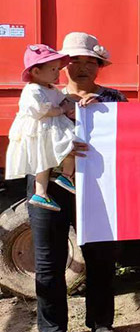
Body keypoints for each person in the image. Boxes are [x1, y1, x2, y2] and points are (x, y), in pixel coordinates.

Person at [31, 33, 126, 332]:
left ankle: (100, 323)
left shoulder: (113, 99)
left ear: (99, 67)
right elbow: (29, 135)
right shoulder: (46, 97)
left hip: (100, 188)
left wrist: (99, 114)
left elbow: (128, 141)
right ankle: (52, 331)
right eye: (75, 61)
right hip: (52, 187)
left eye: (90, 62)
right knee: (48, 262)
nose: (82, 67)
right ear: (62, 66)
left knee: (101, 258)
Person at [5, 45, 87, 211]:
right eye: (53, 69)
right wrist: (62, 110)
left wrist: (76, 106)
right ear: (36, 71)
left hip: (51, 129)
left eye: (58, 68)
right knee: (44, 160)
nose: (57, 73)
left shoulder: (51, 89)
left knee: (66, 148)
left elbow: (64, 101)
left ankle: (64, 176)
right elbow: (40, 111)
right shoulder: (32, 90)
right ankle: (41, 192)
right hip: (40, 130)